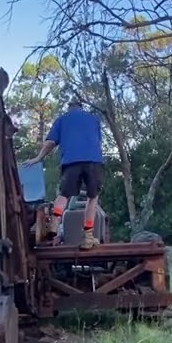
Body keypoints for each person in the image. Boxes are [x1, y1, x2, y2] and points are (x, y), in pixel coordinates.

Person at [26, 99, 104, 249]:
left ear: (69, 109)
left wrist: (38, 158)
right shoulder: (94, 119)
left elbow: (50, 143)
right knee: (92, 197)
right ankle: (88, 237)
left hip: (71, 161)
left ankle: (54, 224)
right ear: (81, 108)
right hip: (94, 161)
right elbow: (97, 142)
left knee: (64, 194)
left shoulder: (62, 120)